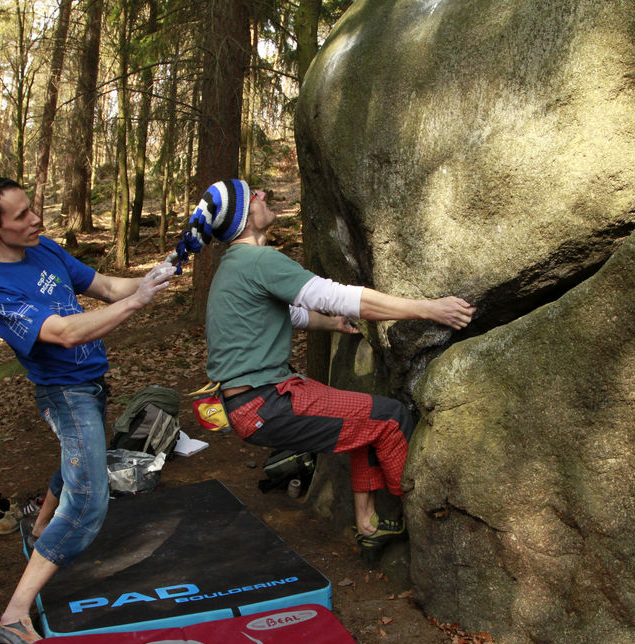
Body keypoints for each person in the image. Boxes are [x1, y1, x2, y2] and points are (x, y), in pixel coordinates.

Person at [179, 179, 475, 554]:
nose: (264, 195)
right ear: (245, 219)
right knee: (390, 418)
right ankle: (425, 519)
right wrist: (428, 308)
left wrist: (332, 323)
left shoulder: (233, 267)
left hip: (252, 403)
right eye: (255, 195)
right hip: (267, 401)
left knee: (362, 420)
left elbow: (289, 315)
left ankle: (368, 524)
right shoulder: (259, 260)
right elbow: (340, 297)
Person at [0, 177, 175, 644]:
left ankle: (41, 527)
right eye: (20, 216)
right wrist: (135, 302)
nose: (35, 219)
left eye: (31, 208)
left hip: (93, 385)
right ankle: (13, 616)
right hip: (65, 394)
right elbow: (62, 332)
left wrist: (147, 281)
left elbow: (102, 285)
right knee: (86, 505)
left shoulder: (45, 249)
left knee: (83, 458)